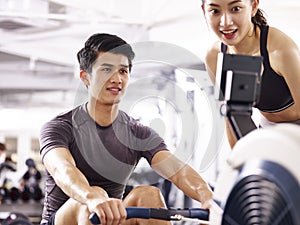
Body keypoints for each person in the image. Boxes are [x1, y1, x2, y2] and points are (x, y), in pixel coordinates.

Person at [39, 33, 213, 225]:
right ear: (86, 77)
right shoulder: (60, 127)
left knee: (149, 194)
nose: (116, 78)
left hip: (110, 220)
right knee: (91, 198)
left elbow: (177, 170)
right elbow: (62, 169)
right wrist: (91, 197)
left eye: (123, 71)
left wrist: (207, 196)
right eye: (106, 70)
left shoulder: (137, 133)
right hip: (65, 219)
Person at [201, 0, 300, 148]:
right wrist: (240, 161)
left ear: (253, 6)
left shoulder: (280, 49)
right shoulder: (215, 56)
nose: (225, 22)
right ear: (204, 11)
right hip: (268, 129)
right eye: (215, 11)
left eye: (235, 9)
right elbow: (231, 120)